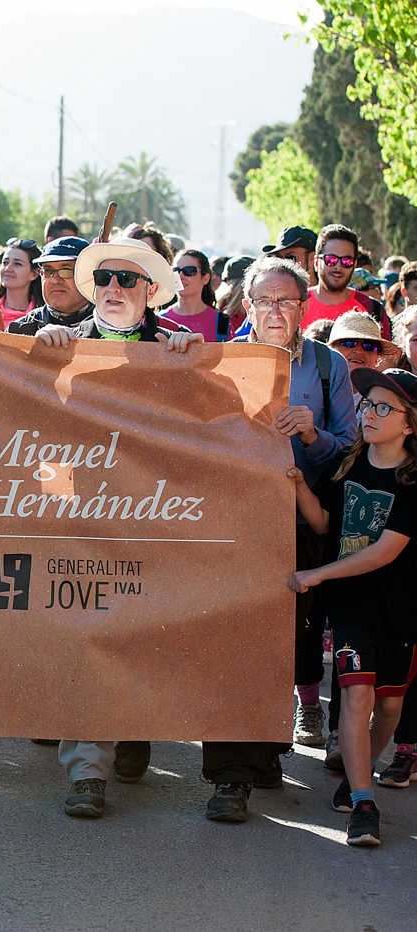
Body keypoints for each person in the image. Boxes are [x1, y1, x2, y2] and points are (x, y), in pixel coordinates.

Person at [35, 237, 203, 818]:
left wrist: (195, 365)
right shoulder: (62, 345)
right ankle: (87, 769)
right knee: (88, 637)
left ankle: (134, 729)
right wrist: (41, 354)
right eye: (104, 279)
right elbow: (26, 422)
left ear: (151, 291)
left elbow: (214, 425)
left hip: (153, 521)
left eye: (127, 281)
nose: (113, 290)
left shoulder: (176, 350)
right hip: (82, 520)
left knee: (138, 635)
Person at [199, 256, 358, 823]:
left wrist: (311, 434)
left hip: (300, 525)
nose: (274, 311)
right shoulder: (217, 360)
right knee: (234, 642)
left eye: (286, 301)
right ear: (245, 305)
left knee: (286, 646)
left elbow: (348, 449)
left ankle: (264, 752)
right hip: (231, 523)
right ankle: (230, 777)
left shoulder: (326, 366)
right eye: (263, 301)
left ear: (302, 305)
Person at [289, 366, 417, 847]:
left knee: (389, 706)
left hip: (401, 608)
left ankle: (359, 773)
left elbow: (385, 551)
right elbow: (324, 524)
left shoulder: (412, 478)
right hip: (350, 607)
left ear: (409, 423)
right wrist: (300, 484)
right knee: (356, 696)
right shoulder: (347, 463)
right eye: (366, 404)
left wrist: (317, 574)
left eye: (385, 407)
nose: (369, 413)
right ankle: (364, 801)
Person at [302, 224, 385, 337]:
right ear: (316, 262)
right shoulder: (297, 305)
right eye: (331, 260)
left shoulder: (372, 309)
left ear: (354, 265)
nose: (338, 267)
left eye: (346, 261)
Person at [8, 236, 92, 336]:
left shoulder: (107, 328)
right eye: (48, 271)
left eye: (66, 271)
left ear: (88, 276)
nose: (55, 280)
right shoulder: (20, 330)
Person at [164, 248, 230, 341]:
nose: (180, 276)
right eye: (176, 270)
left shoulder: (221, 322)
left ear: (206, 278)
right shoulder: (160, 320)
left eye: (189, 270)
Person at [328, 312, 398, 381]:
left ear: (377, 358)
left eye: (369, 346)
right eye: (349, 343)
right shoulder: (317, 388)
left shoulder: (385, 392)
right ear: (331, 349)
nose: (359, 350)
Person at [0, 237, 43, 328]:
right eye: (5, 262)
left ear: (34, 274)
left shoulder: (44, 318)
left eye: (17, 264)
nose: (8, 269)